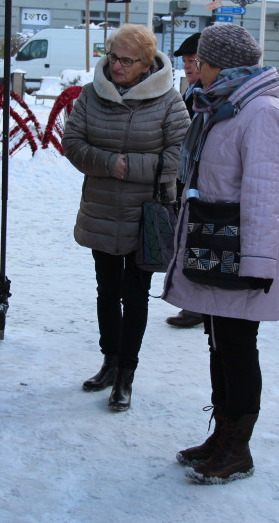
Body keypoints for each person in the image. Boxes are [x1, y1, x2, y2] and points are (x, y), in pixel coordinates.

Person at [162, 23, 279, 485]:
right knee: (220, 346)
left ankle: (239, 449)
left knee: (238, 349)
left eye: (205, 65)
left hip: (241, 255)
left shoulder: (260, 113)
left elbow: (264, 193)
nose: (197, 73)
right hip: (216, 249)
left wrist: (258, 264)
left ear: (226, 66)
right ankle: (222, 435)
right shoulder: (224, 107)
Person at [63, 24, 190, 412]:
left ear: (146, 64)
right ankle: (109, 360)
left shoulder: (169, 101)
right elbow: (72, 143)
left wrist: (129, 166)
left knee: (135, 295)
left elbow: (179, 155)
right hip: (101, 209)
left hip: (146, 215)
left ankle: (126, 374)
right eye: (113, 57)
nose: (117, 66)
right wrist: (106, 162)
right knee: (106, 290)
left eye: (127, 60)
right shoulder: (91, 95)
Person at [167, 32, 204, 329]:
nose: (188, 67)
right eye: (185, 62)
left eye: (192, 61)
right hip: (184, 176)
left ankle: (196, 306)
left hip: (198, 181)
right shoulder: (192, 90)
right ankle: (192, 303)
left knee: (194, 240)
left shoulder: (205, 93)